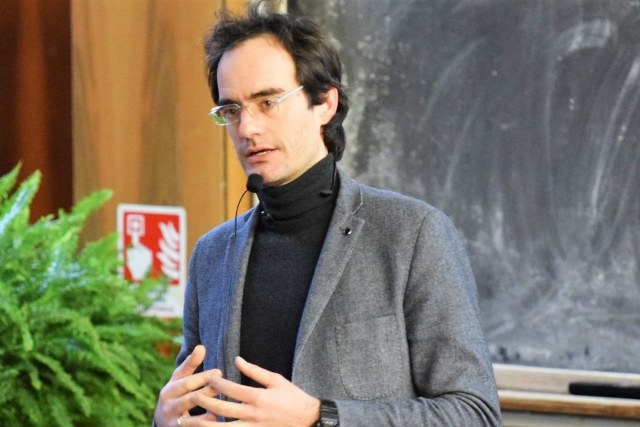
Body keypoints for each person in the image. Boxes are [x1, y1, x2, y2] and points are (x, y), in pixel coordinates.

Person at [153, 1, 502, 425]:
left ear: (325, 103)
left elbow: (474, 414)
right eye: (231, 110)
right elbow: (194, 403)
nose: (247, 128)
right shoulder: (212, 255)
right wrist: (166, 419)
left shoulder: (412, 235)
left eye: (268, 101)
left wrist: (320, 417)